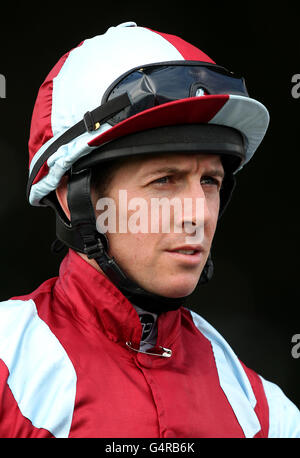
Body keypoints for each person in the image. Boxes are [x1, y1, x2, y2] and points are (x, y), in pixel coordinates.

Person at [0, 21, 299, 439]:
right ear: (75, 197)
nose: (199, 213)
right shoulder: (6, 366)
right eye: (164, 180)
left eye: (209, 181)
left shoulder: (266, 413)